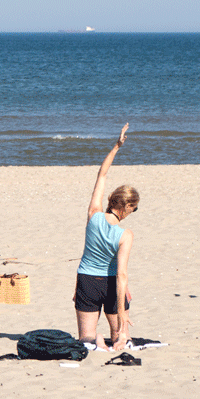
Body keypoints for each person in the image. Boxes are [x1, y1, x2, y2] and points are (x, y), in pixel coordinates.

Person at [74, 124, 137, 351]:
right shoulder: (125, 235)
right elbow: (121, 274)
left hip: (86, 281)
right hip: (110, 284)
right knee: (122, 338)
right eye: (134, 208)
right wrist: (121, 310)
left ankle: (96, 340)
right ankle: (115, 338)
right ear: (127, 206)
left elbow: (102, 174)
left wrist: (116, 147)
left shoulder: (94, 215)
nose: (133, 212)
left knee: (86, 341)